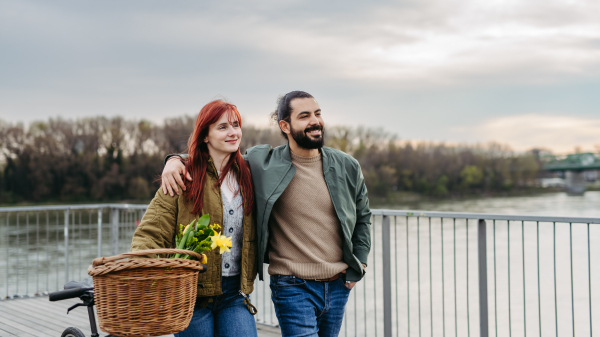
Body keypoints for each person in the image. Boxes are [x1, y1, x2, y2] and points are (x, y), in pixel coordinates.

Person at [162, 91, 372, 337]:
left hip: (338, 285)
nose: (315, 121)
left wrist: (361, 261)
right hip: (292, 284)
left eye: (317, 113)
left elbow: (363, 216)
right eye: (304, 116)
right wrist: (175, 160)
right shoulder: (263, 162)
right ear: (285, 125)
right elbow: (217, 156)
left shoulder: (347, 165)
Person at [131, 100, 259, 337]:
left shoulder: (250, 175)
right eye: (222, 127)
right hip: (190, 295)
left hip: (235, 294)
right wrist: (144, 280)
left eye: (235, 125)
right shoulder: (182, 177)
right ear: (205, 136)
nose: (232, 132)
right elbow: (150, 233)